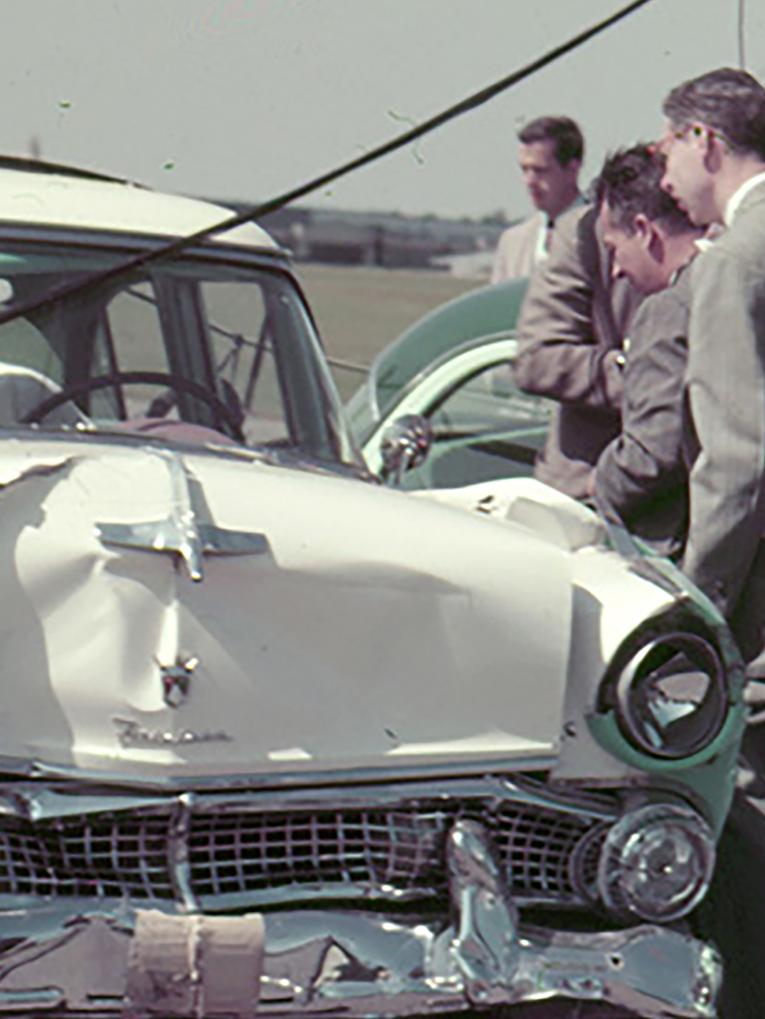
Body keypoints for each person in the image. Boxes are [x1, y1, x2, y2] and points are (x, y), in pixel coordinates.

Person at [657, 67, 765, 1019]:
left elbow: (736, 462)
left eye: (668, 150)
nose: (664, 177)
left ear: (705, 140)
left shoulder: (734, 262)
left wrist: (694, 608)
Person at [591, 144, 703, 557]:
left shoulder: (667, 311)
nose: (617, 270)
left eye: (614, 248)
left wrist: (602, 481)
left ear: (643, 230)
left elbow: (654, 451)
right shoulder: (731, 282)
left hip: (680, 542)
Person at [513, 198, 641, 501]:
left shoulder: (725, 233)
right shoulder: (587, 234)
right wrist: (645, 376)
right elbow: (537, 359)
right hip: (587, 487)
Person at [491, 116, 584, 283]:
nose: (530, 181)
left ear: (572, 168)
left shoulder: (604, 236)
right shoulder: (512, 243)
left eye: (540, 170)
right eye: (524, 170)